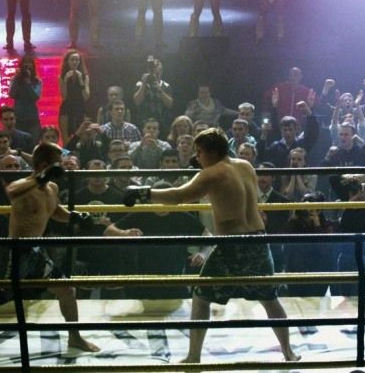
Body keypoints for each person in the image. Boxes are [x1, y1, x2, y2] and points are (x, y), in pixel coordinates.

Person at [123, 128, 299, 363]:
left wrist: (143, 193)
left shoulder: (212, 173)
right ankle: (288, 352)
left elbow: (177, 197)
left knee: (201, 296)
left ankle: (193, 356)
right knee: (269, 297)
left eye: (200, 152)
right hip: (258, 239)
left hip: (232, 244)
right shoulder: (246, 166)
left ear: (213, 152)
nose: (197, 157)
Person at [0, 143, 100, 367]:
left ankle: (75, 336)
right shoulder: (24, 186)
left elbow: (54, 211)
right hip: (13, 255)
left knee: (67, 290)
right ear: (45, 165)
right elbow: (12, 192)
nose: (61, 168)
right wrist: (41, 177)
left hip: (36, 252)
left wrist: (75, 217)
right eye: (57, 164)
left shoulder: (52, 188)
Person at [58, 49, 90, 141]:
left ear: (80, 62)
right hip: (66, 109)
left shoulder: (84, 76)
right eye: (72, 60)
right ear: (67, 61)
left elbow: (86, 97)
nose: (75, 62)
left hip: (80, 107)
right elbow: (64, 97)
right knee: (66, 139)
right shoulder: (61, 76)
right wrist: (65, 81)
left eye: (77, 60)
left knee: (82, 138)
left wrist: (80, 81)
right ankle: (66, 151)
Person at [9, 55, 42, 139]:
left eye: (29, 63)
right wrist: (17, 78)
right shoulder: (15, 79)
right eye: (25, 63)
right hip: (18, 118)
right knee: (19, 142)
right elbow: (11, 94)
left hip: (32, 118)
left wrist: (28, 82)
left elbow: (35, 97)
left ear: (33, 67)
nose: (27, 65)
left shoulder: (37, 81)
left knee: (34, 141)